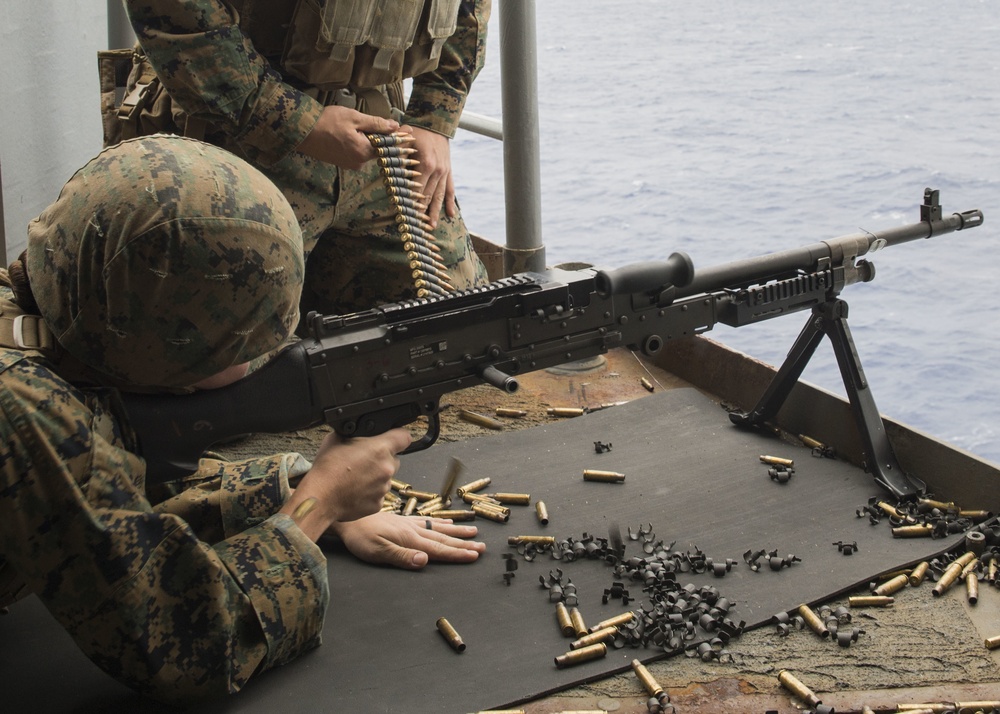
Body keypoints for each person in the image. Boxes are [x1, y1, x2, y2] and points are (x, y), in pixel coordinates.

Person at [0, 135, 484, 703]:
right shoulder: (26, 409)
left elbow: (112, 501)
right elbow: (195, 639)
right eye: (247, 344)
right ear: (163, 350)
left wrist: (298, 490)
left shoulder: (61, 318)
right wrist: (317, 507)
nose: (262, 356)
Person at [117, 0, 492, 317]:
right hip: (234, 135)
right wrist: (298, 123)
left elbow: (469, 8)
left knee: (458, 318)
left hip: (377, 133)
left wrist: (434, 119)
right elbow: (175, 13)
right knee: (220, 349)